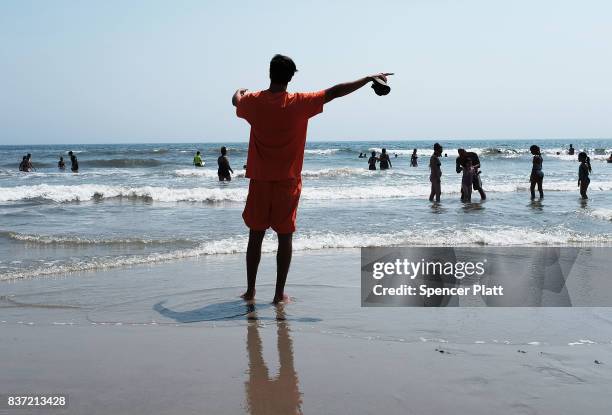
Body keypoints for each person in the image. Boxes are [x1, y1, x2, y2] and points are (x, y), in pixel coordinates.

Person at [233, 53, 391, 303]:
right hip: (288, 181)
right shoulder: (299, 103)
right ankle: (278, 294)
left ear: (270, 73)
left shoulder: (253, 102)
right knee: (285, 237)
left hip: (260, 180)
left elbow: (236, 101)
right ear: (291, 78)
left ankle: (251, 290)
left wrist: (239, 91)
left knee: (256, 235)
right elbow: (335, 92)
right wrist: (367, 78)